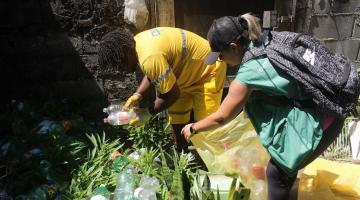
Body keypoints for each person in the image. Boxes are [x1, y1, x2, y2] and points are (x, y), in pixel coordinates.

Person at [181, 13, 345, 200]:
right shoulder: (266, 40)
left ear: (233, 47)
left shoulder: (249, 72)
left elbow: (222, 116)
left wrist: (193, 127)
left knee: (277, 172)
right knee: (281, 167)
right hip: (326, 108)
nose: (220, 61)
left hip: (323, 118)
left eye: (220, 55)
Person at [98, 27, 227, 151]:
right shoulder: (138, 44)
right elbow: (153, 73)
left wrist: (147, 113)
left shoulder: (149, 57)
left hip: (208, 72)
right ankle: (183, 158)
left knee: (206, 130)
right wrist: (138, 94)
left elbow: (172, 94)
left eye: (121, 63)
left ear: (126, 51)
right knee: (177, 120)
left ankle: (217, 167)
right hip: (184, 77)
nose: (123, 70)